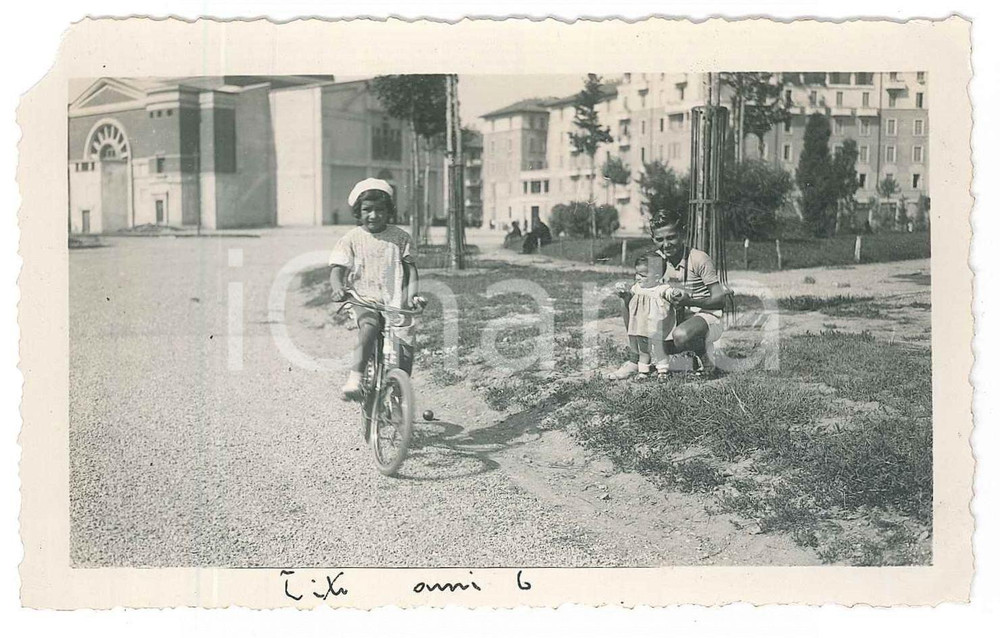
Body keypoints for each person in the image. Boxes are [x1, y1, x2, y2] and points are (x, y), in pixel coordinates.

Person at [329, 178, 422, 401]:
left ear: (389, 211)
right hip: (364, 299)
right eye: (367, 210)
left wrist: (411, 296)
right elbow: (337, 269)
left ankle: (398, 392)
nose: (373, 215)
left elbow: (411, 270)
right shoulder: (351, 239)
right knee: (369, 327)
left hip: (395, 301)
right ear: (358, 213)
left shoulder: (401, 238)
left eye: (380, 210)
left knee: (404, 348)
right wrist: (338, 288)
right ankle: (355, 378)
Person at [609, 212, 728, 378]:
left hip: (705, 317)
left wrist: (691, 300)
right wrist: (625, 293)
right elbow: (643, 290)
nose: (666, 245)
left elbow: (720, 300)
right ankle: (635, 360)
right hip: (674, 316)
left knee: (681, 335)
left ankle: (706, 359)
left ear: (682, 234)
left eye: (671, 237)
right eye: (659, 240)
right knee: (630, 301)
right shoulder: (655, 260)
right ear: (653, 239)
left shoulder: (698, 258)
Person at [608, 254, 680, 379]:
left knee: (659, 349)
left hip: (657, 325)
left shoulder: (661, 288)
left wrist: (674, 293)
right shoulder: (637, 288)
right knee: (643, 349)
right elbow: (629, 295)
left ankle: (662, 371)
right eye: (637, 273)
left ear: (657, 276)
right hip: (641, 325)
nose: (637, 277)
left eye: (643, 275)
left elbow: (669, 294)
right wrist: (623, 291)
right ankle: (643, 372)